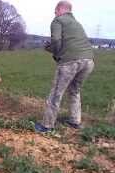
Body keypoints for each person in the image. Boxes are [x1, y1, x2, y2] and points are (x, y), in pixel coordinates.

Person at [35, 1, 95, 132]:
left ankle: (47, 125)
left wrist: (55, 54)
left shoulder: (58, 21)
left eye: (55, 10)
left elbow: (56, 41)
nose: (54, 13)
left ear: (61, 9)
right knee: (75, 90)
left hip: (70, 62)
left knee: (56, 92)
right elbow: (70, 43)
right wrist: (52, 48)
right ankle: (75, 121)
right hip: (89, 61)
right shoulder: (76, 23)